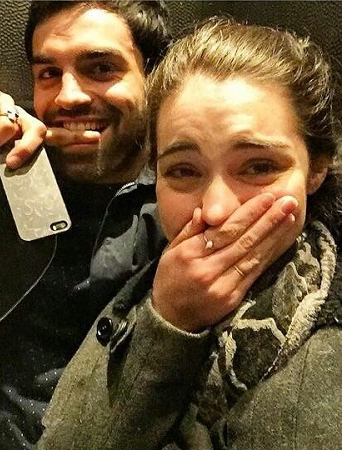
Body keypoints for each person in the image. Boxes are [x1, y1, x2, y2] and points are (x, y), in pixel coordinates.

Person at [37, 17, 342, 450]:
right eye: (183, 170)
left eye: (258, 167)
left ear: (316, 168)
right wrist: (168, 319)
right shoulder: (158, 276)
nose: (216, 210)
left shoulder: (319, 368)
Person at [0, 2, 171, 449]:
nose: (67, 97)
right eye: (48, 74)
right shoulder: (2, 151)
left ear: (155, 76)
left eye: (100, 67)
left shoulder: (194, 187)